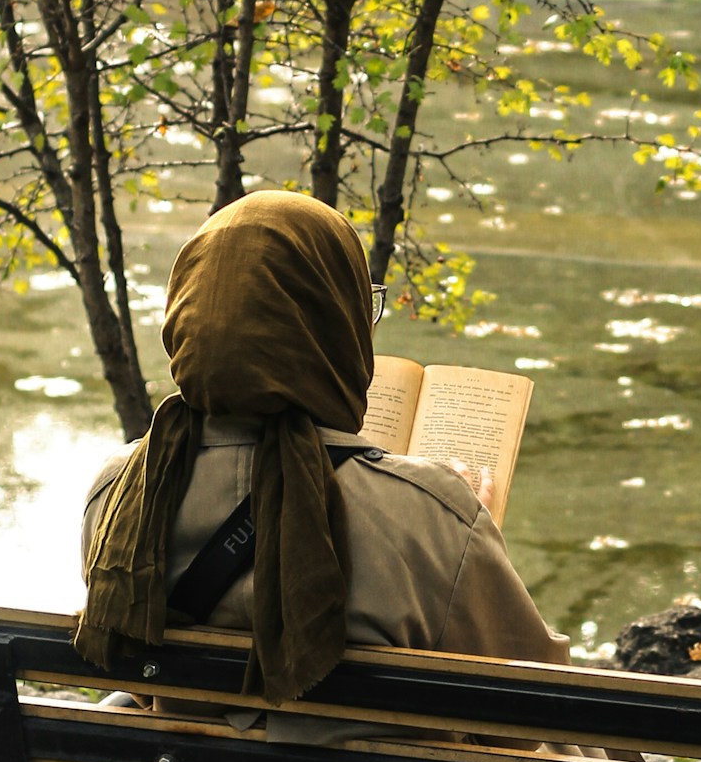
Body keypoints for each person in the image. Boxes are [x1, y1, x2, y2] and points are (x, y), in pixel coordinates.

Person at [74, 188, 566, 706]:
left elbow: (139, 680)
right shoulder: (429, 515)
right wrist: (470, 532)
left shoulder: (118, 492)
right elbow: (534, 700)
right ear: (334, 321)